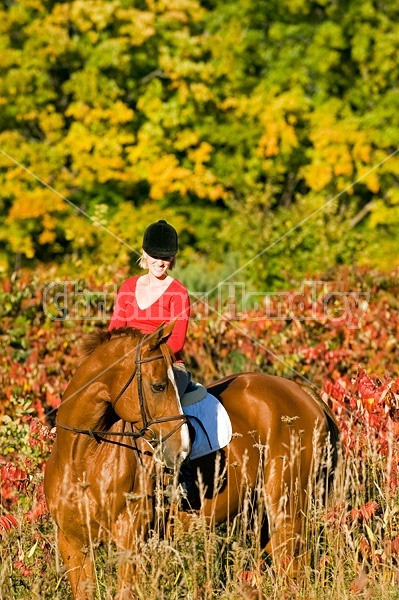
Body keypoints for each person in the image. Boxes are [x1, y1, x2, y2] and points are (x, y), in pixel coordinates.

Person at [108, 219, 190, 397]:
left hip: (166, 364)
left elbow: (176, 341)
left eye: (166, 257)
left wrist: (143, 358)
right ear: (144, 253)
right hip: (128, 361)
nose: (160, 263)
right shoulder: (128, 287)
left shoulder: (179, 292)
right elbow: (115, 329)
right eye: (155, 256)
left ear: (173, 258)